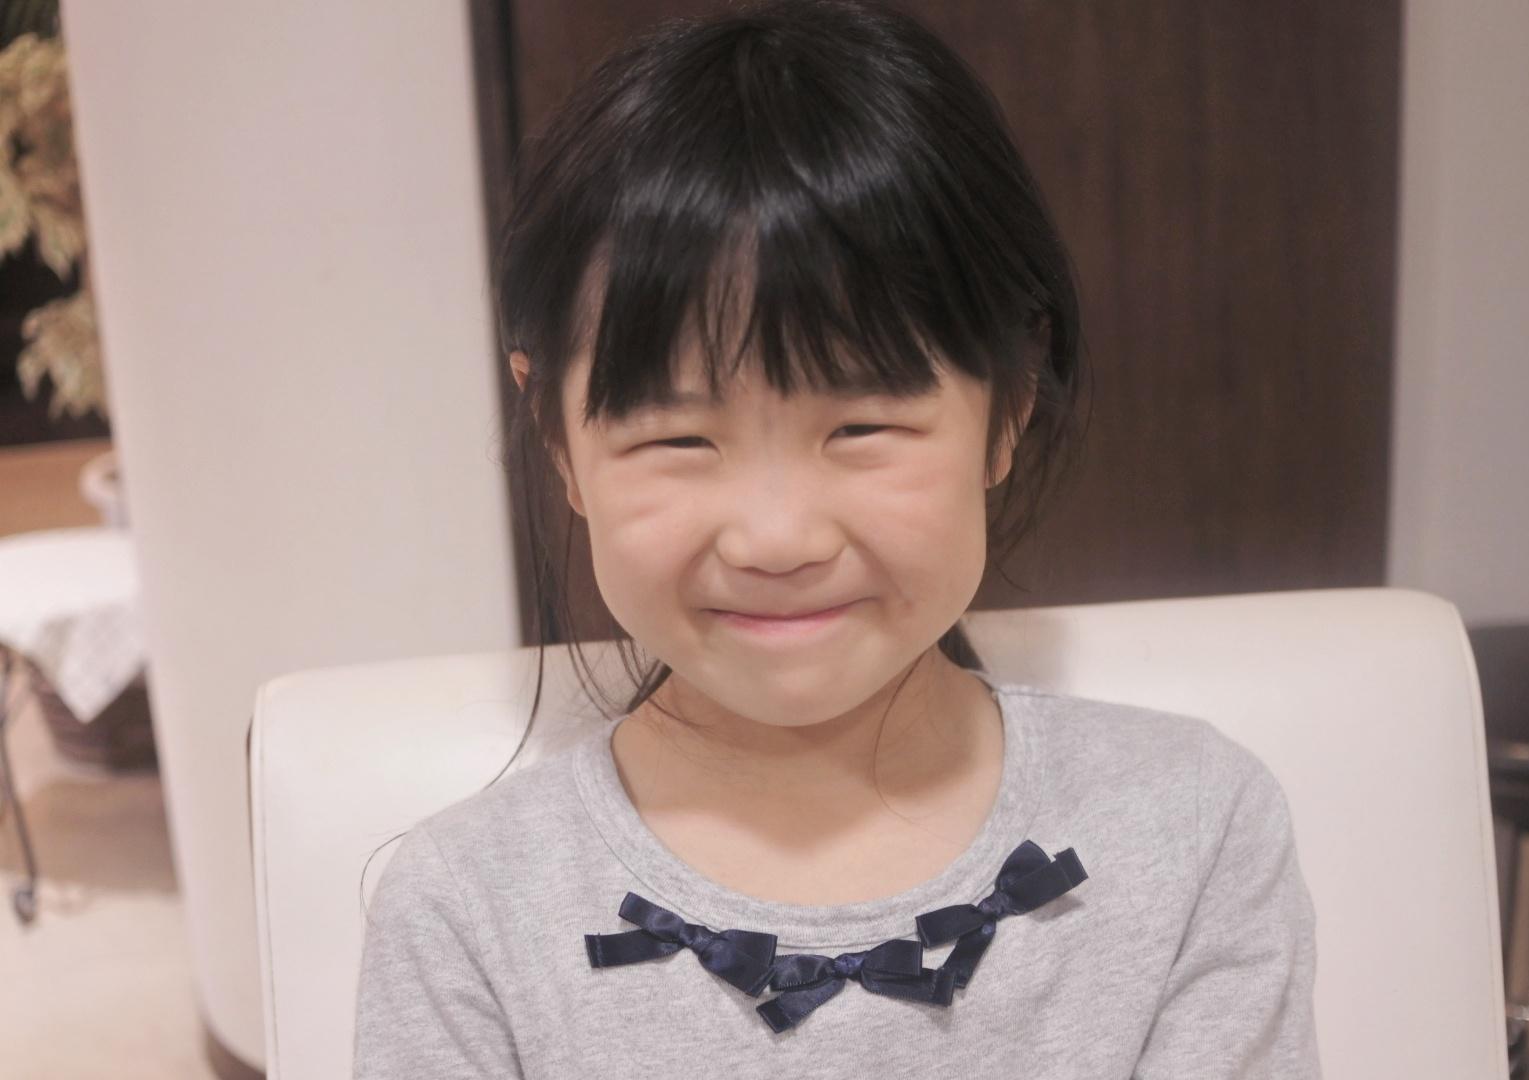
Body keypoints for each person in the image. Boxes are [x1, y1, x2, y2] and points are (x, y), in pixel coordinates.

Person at [351, 0, 1321, 1076]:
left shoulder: (1190, 826)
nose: (777, 538)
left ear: (1008, 408)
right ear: (557, 439)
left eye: (859, 428)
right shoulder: (463, 915)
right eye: (678, 437)